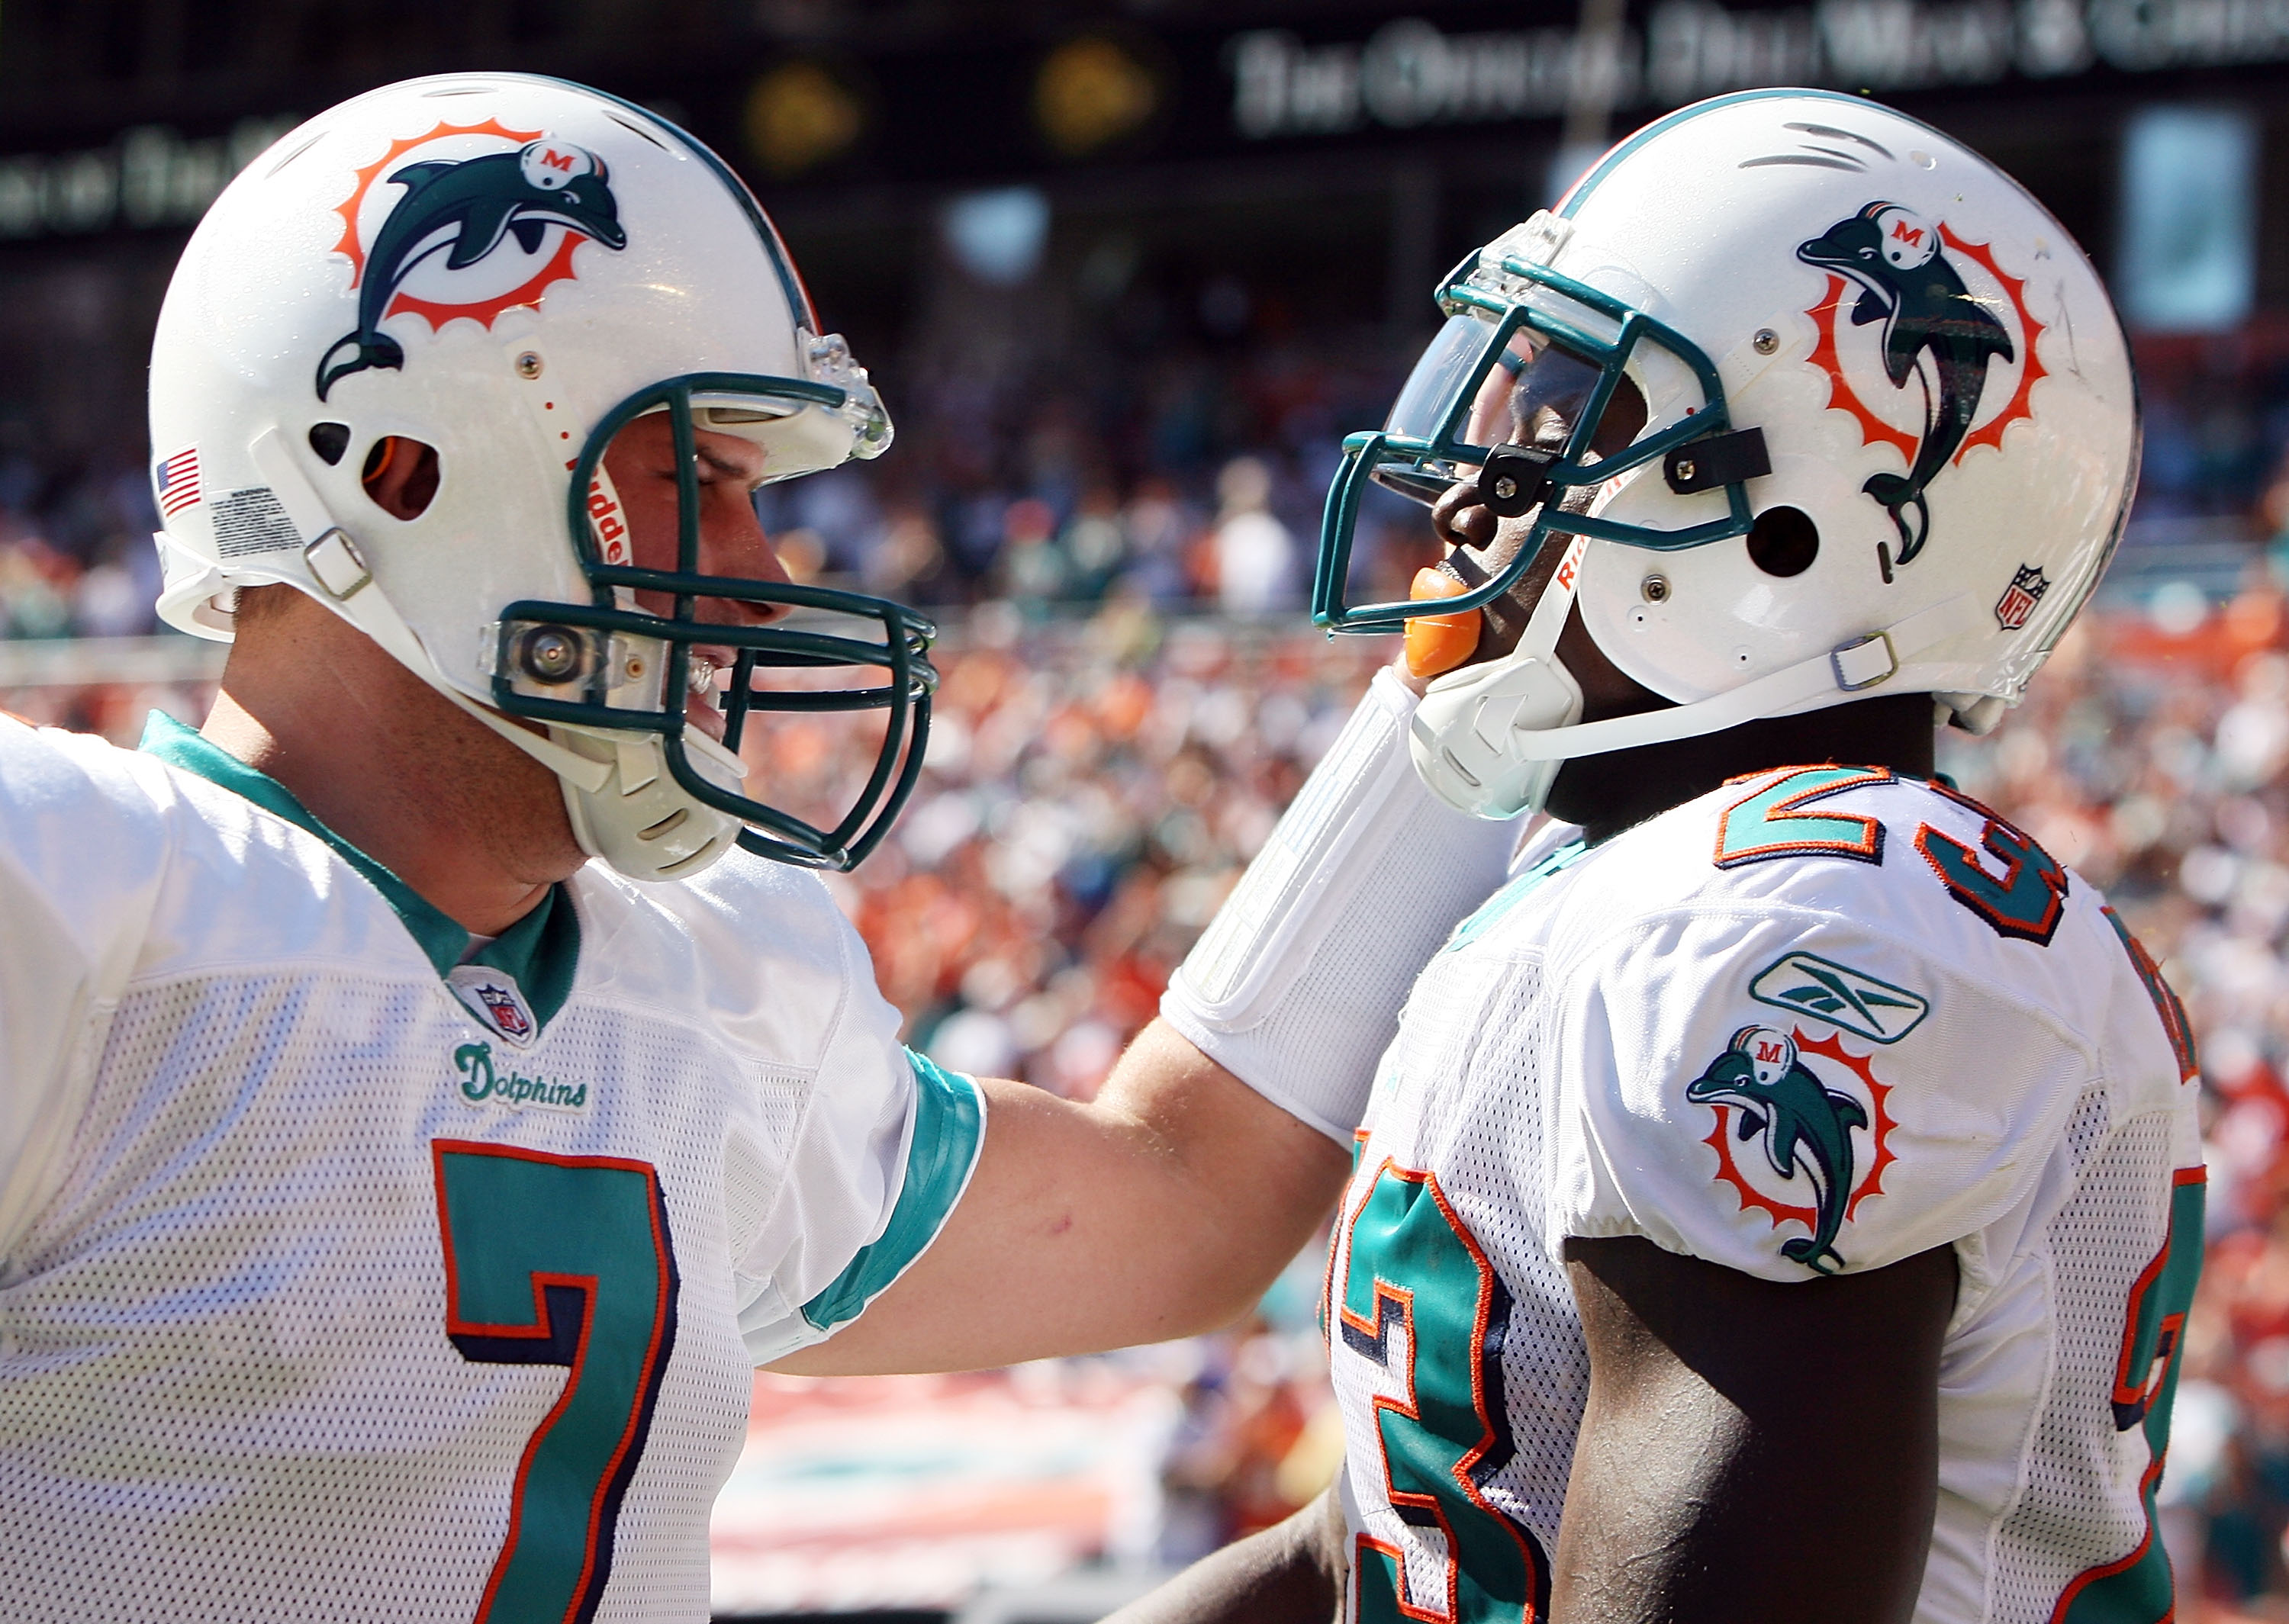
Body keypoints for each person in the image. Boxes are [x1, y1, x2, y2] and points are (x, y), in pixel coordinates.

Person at [0, 74, 1516, 1620]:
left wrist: (1469, 690)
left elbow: (1181, 1207)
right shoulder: (67, 895)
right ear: (404, 470)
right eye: (697, 477)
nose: (762, 565)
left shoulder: (693, 991)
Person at [1077, 91, 2197, 1624]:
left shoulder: (1807, 909)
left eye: (1560, 425)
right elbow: (1405, 1542)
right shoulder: (1607, 884)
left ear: (1793, 529)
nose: (1468, 488)